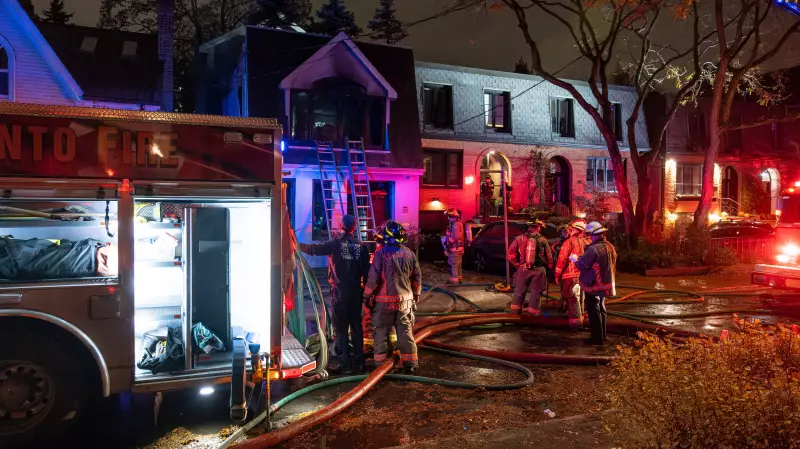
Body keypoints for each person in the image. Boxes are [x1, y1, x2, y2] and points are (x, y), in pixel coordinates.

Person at [299, 215, 370, 374]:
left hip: (340, 292)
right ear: (354, 227)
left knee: (341, 328)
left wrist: (296, 245)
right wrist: (367, 295)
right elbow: (367, 274)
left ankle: (345, 364)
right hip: (356, 292)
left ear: (341, 225)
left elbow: (313, 250)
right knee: (357, 327)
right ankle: (360, 363)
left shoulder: (335, 244)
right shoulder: (362, 246)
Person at [363, 221, 422, 373]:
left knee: (381, 332)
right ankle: (411, 363)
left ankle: (381, 366)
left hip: (384, 303)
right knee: (405, 332)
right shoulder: (410, 253)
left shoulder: (380, 253)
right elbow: (417, 277)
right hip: (405, 302)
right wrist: (416, 296)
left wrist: (366, 296)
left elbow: (373, 279)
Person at [571, 221, 617, 345]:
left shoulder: (593, 249)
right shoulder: (610, 247)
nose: (589, 238)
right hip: (606, 284)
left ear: (595, 235)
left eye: (590, 235)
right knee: (602, 308)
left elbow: (583, 265)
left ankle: (597, 338)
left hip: (594, 285)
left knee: (593, 310)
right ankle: (603, 336)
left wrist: (575, 260)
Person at [507, 219, 553, 315]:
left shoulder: (520, 238)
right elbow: (549, 257)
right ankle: (533, 315)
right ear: (538, 227)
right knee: (536, 293)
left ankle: (514, 314)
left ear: (529, 227)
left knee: (519, 291)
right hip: (539, 270)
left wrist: (517, 264)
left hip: (523, 269)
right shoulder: (543, 239)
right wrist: (549, 266)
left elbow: (510, 253)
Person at [554, 220, 588, 330]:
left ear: (573, 230)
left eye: (570, 229)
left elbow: (562, 259)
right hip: (584, 276)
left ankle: (575, 324)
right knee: (581, 298)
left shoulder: (569, 242)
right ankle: (581, 320)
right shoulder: (586, 242)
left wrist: (557, 274)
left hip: (571, 276)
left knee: (573, 299)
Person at [444, 208, 465, 284]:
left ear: (452, 216)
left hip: (455, 248)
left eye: (449, 217)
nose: (448, 218)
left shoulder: (455, 224)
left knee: (453, 263)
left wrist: (448, 244)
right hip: (459, 248)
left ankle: (454, 279)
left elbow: (455, 237)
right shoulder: (459, 223)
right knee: (458, 264)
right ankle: (459, 277)